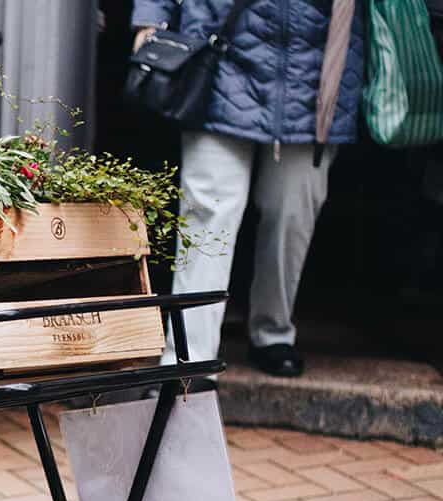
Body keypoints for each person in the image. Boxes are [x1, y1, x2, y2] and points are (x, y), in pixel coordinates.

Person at [131, 0, 365, 377]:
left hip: (316, 72)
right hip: (218, 52)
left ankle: (273, 331)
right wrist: (150, 18)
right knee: (208, 214)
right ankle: (188, 361)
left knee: (294, 210)